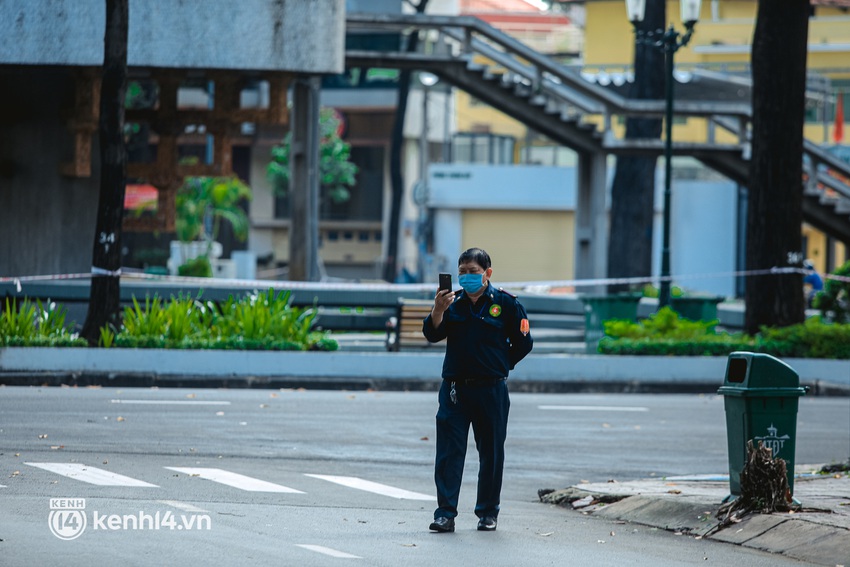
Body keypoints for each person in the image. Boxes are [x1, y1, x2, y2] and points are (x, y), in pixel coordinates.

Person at [422, 247, 533, 533]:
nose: (467, 277)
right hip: (455, 391)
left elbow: (524, 343)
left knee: (492, 453)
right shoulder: (452, 303)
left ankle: (487, 512)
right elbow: (432, 334)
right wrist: (438, 310)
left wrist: (499, 365)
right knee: (448, 453)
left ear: (487, 273)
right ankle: (445, 513)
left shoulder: (507, 304)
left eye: (472, 272)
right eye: (462, 273)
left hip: (491, 390)